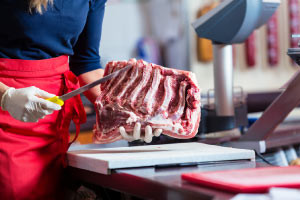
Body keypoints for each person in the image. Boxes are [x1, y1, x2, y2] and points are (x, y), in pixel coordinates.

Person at [0, 1, 158, 199]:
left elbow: (87, 63)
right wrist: (6, 96)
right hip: (5, 114)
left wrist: (125, 113)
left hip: (54, 120)